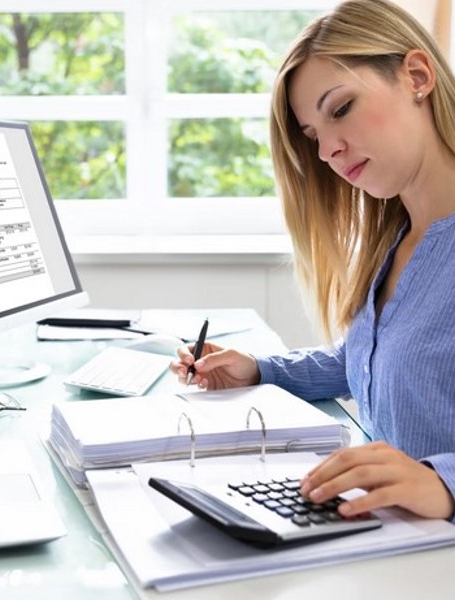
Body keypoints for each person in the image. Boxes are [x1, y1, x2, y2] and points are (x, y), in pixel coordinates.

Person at [171, 0, 455, 521]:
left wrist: (443, 483)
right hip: (391, 536)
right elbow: (381, 360)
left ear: (417, 76)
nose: (327, 151)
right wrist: (260, 370)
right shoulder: (396, 239)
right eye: (313, 137)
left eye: (341, 108)